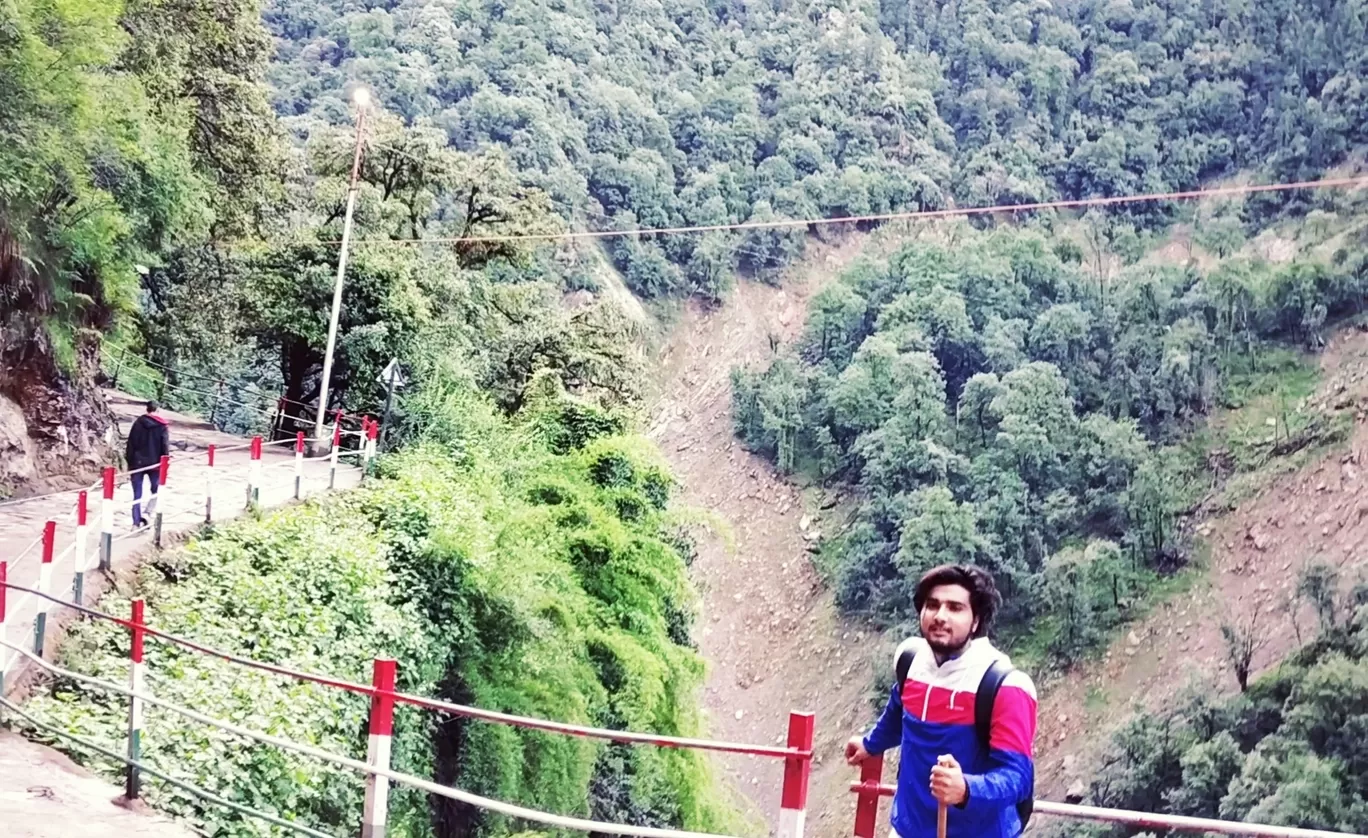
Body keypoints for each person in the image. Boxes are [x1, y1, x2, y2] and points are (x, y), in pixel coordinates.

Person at [846, 565, 1037, 838]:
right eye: (932, 605)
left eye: (955, 608)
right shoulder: (910, 660)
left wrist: (966, 789)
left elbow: (1018, 778)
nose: (940, 616)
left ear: (975, 621)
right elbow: (900, 710)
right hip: (908, 828)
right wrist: (870, 744)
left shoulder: (1005, 686)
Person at [125, 400, 169, 528]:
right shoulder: (162, 426)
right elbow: (164, 446)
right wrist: (164, 462)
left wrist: (130, 461)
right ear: (158, 410)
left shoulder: (138, 423)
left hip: (137, 463)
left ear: (147, 410)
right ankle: (148, 513)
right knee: (157, 490)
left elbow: (131, 444)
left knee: (137, 494)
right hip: (155, 464)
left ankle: (135, 522)